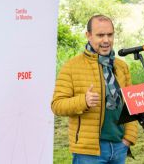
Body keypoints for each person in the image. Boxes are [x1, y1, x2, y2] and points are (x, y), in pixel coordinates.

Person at [51, 14, 138, 164]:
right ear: (88, 36)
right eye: (100, 35)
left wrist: (128, 139)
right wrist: (83, 101)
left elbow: (131, 105)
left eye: (110, 35)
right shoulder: (72, 67)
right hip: (88, 152)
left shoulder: (121, 67)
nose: (106, 40)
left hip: (119, 147)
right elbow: (57, 105)